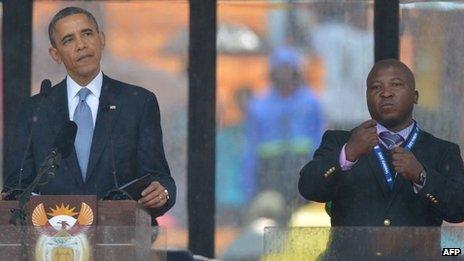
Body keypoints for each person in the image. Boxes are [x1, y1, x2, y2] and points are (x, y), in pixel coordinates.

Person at [2, 6, 175, 218]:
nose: (81, 45)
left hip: (119, 239)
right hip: (51, 242)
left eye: (87, 34)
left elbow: (159, 179)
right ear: (55, 54)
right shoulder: (33, 111)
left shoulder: (138, 103)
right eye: (68, 40)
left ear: (101, 39)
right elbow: (16, 189)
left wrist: (162, 192)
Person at [298, 59, 464, 258]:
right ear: (367, 97)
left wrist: (422, 176)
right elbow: (308, 188)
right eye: (376, 87)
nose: (386, 93)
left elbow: (458, 210)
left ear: (415, 96)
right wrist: (348, 154)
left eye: (396, 84)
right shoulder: (339, 141)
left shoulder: (442, 151)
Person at [243, 46, 324, 220]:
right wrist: (249, 189)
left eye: (289, 69)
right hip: (270, 175)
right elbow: (251, 148)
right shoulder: (259, 106)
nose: (285, 75)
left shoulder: (311, 103)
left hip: (301, 170)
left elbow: (319, 141)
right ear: (273, 72)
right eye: (281, 70)